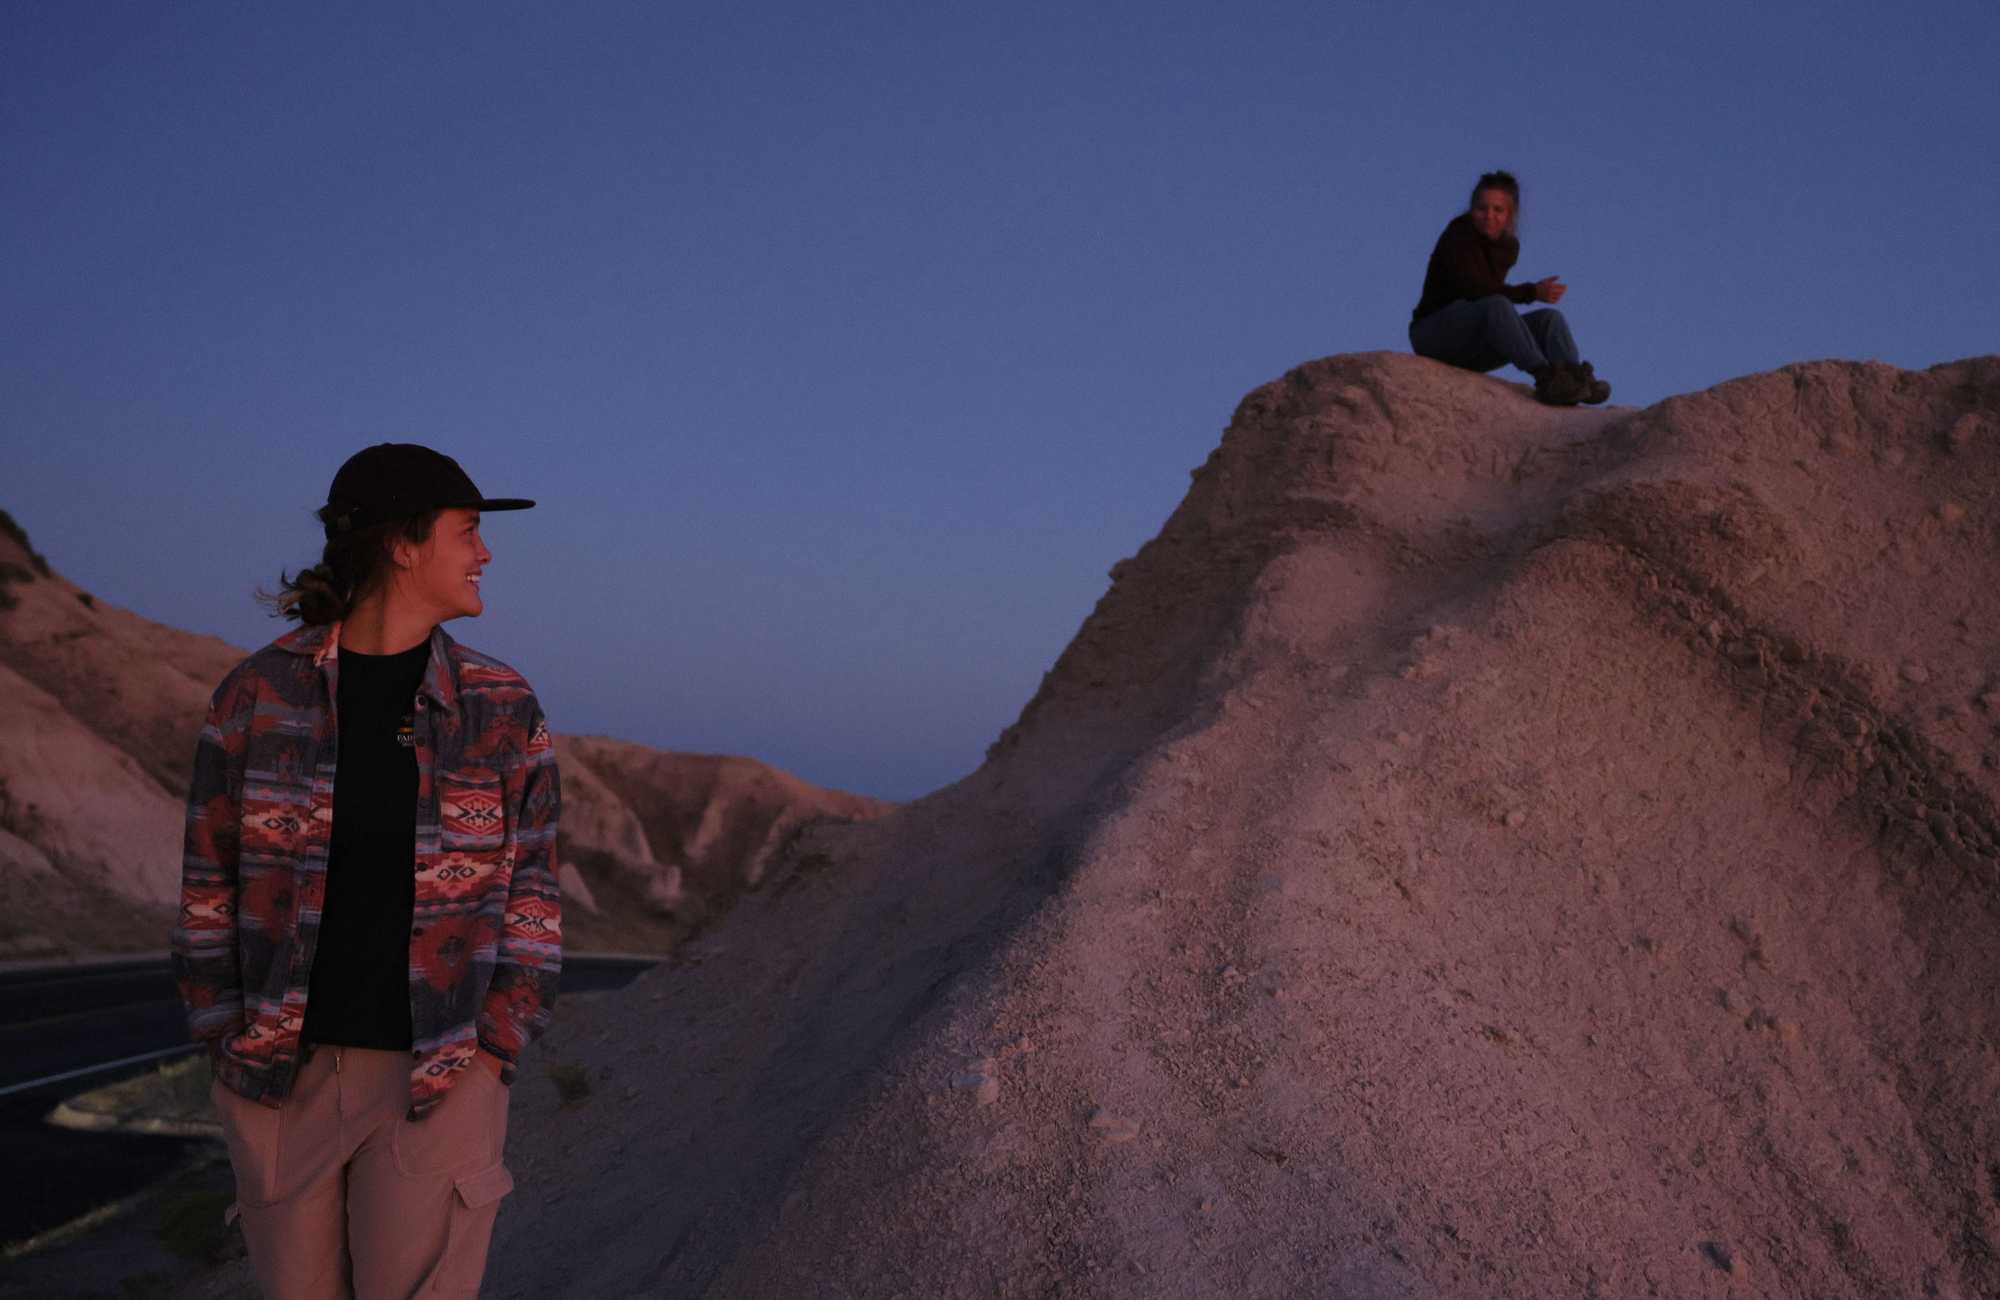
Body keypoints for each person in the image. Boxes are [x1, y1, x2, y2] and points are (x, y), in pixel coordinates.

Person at [172, 443, 562, 1298]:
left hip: (440, 1077)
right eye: (468, 532)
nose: (485, 553)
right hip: (282, 1080)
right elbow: (208, 884)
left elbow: (534, 895)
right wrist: (222, 1040)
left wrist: (494, 1051)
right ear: (403, 544)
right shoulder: (257, 697)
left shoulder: (500, 710)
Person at [1409, 170, 1611, 406]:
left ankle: (1574, 379)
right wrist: (1532, 292)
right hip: (1434, 334)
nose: (1489, 216)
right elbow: (1476, 289)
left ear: (1510, 214)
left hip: (1471, 345)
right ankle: (1546, 379)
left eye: (1498, 210)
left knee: (1549, 319)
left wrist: (1530, 296)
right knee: (1496, 305)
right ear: (1471, 209)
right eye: (1481, 208)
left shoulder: (1508, 247)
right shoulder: (1458, 234)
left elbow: (1490, 297)